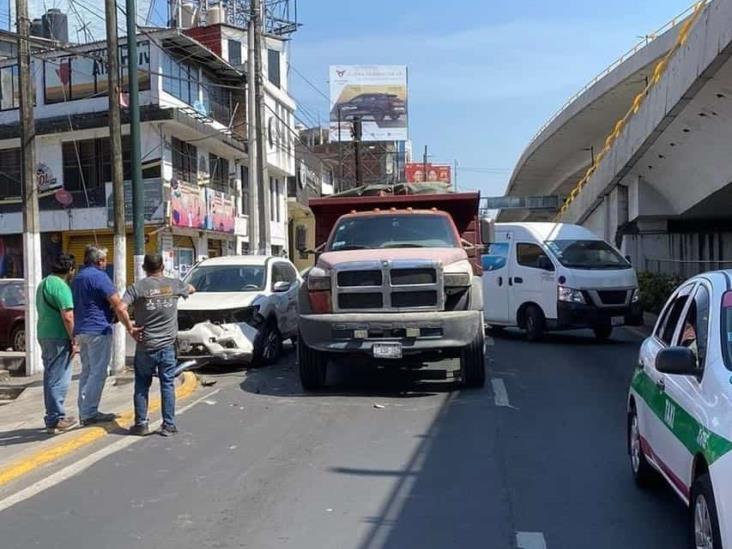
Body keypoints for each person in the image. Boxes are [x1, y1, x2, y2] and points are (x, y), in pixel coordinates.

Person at [123, 253, 195, 437]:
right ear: (162, 267)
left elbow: (121, 307)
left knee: (141, 385)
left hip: (145, 345)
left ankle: (141, 424)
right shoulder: (174, 284)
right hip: (167, 346)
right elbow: (192, 288)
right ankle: (168, 425)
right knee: (167, 384)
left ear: (144, 268)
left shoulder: (137, 288)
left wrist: (130, 327)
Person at [72, 245, 139, 426]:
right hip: (98, 331)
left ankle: (84, 409)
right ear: (100, 261)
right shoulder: (99, 277)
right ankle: (89, 412)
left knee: (87, 371)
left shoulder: (78, 278)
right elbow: (118, 304)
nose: (106, 263)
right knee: (99, 372)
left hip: (82, 331)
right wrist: (129, 326)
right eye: (104, 260)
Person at [37, 253, 77, 434]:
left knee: (50, 376)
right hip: (58, 336)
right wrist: (74, 338)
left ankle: (52, 416)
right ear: (70, 269)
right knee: (59, 377)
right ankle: (56, 418)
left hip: (44, 334)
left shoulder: (43, 283)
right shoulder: (61, 286)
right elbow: (68, 316)